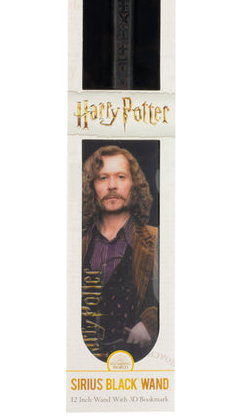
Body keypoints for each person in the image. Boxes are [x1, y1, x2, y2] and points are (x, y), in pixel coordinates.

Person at [81, 145, 158, 362]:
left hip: (139, 361)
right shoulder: (76, 244)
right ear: (92, 185)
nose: (112, 185)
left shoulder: (157, 240)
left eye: (121, 176)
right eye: (103, 177)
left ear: (134, 184)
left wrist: (151, 323)